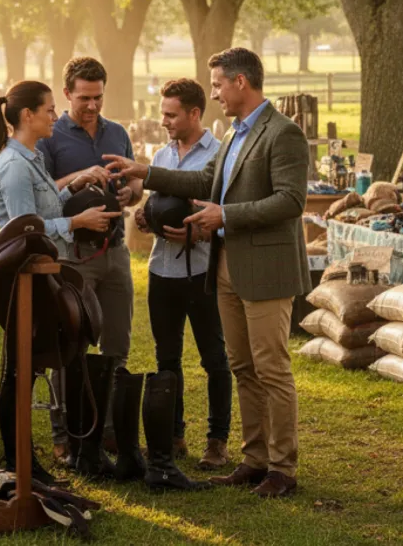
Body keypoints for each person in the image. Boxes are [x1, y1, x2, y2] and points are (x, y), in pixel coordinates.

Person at [105, 47, 310, 498]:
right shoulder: (234, 133)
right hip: (227, 267)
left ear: (241, 82)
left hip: (266, 269)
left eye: (217, 84)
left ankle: (283, 467)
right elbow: (203, 182)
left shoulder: (284, 133)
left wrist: (226, 216)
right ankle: (254, 460)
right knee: (242, 366)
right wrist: (146, 172)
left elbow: (291, 201)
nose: (213, 93)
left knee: (271, 368)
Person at [0, 80, 121, 482]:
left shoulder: (30, 158)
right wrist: (76, 222)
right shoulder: (14, 166)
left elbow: (43, 209)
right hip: (26, 281)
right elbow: (26, 229)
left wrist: (72, 190)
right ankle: (19, 462)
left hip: (46, 276)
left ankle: (81, 452)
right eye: (48, 109)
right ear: (27, 116)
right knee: (20, 371)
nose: (54, 116)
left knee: (58, 358)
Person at [37, 56, 141, 462]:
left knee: (117, 345)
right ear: (67, 94)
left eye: (98, 97)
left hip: (115, 252)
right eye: (84, 98)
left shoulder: (117, 132)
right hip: (74, 256)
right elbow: (43, 195)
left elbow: (135, 183)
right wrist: (76, 179)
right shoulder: (50, 137)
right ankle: (65, 435)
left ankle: (109, 430)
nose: (93, 105)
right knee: (70, 347)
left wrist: (131, 192)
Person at [134, 78, 232, 470]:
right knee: (166, 358)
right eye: (163, 114)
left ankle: (217, 441)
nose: (164, 121)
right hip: (161, 270)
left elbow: (229, 215)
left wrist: (201, 232)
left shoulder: (220, 156)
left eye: (171, 115)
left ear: (194, 113)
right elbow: (155, 205)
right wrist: (146, 217)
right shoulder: (160, 155)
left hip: (202, 271)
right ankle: (173, 437)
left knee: (214, 359)